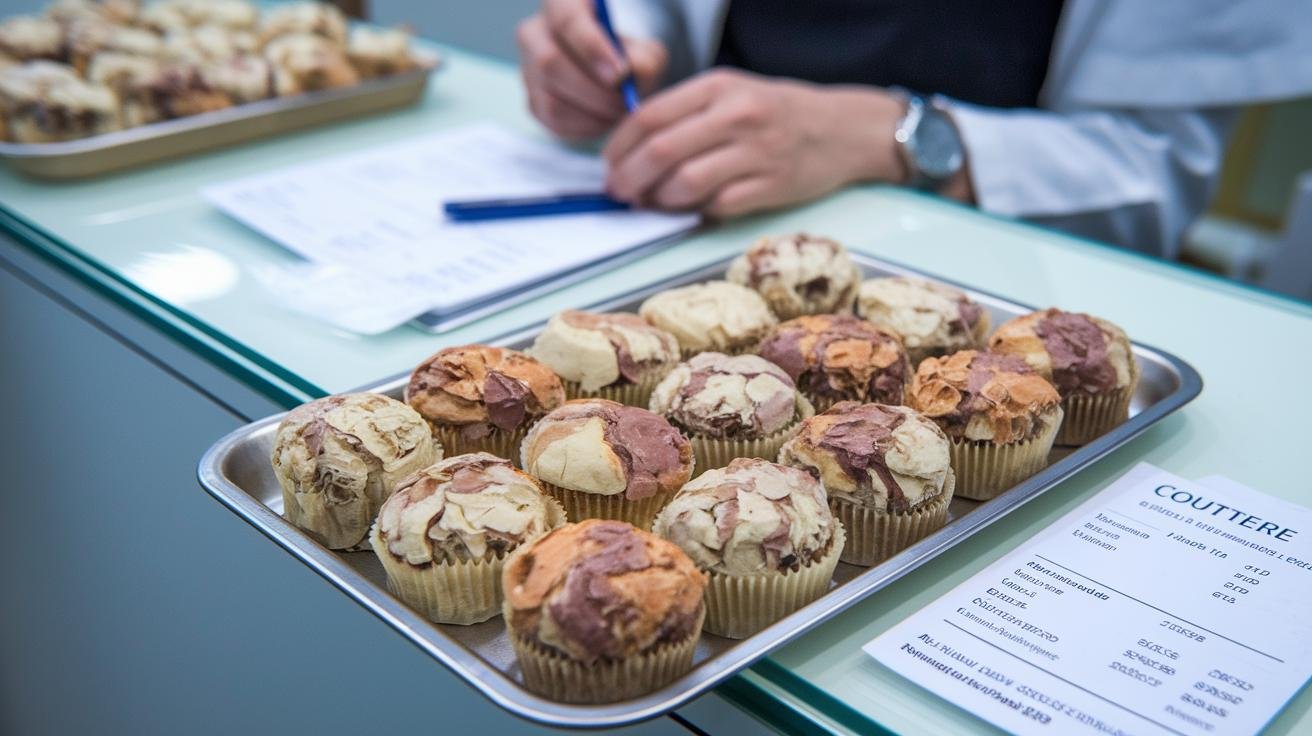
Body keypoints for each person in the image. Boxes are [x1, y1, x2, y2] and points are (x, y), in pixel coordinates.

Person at [516, 0, 1312, 257]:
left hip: (978, 255)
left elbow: (1154, 169)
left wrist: (891, 136)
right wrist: (607, 41)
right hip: (693, 217)